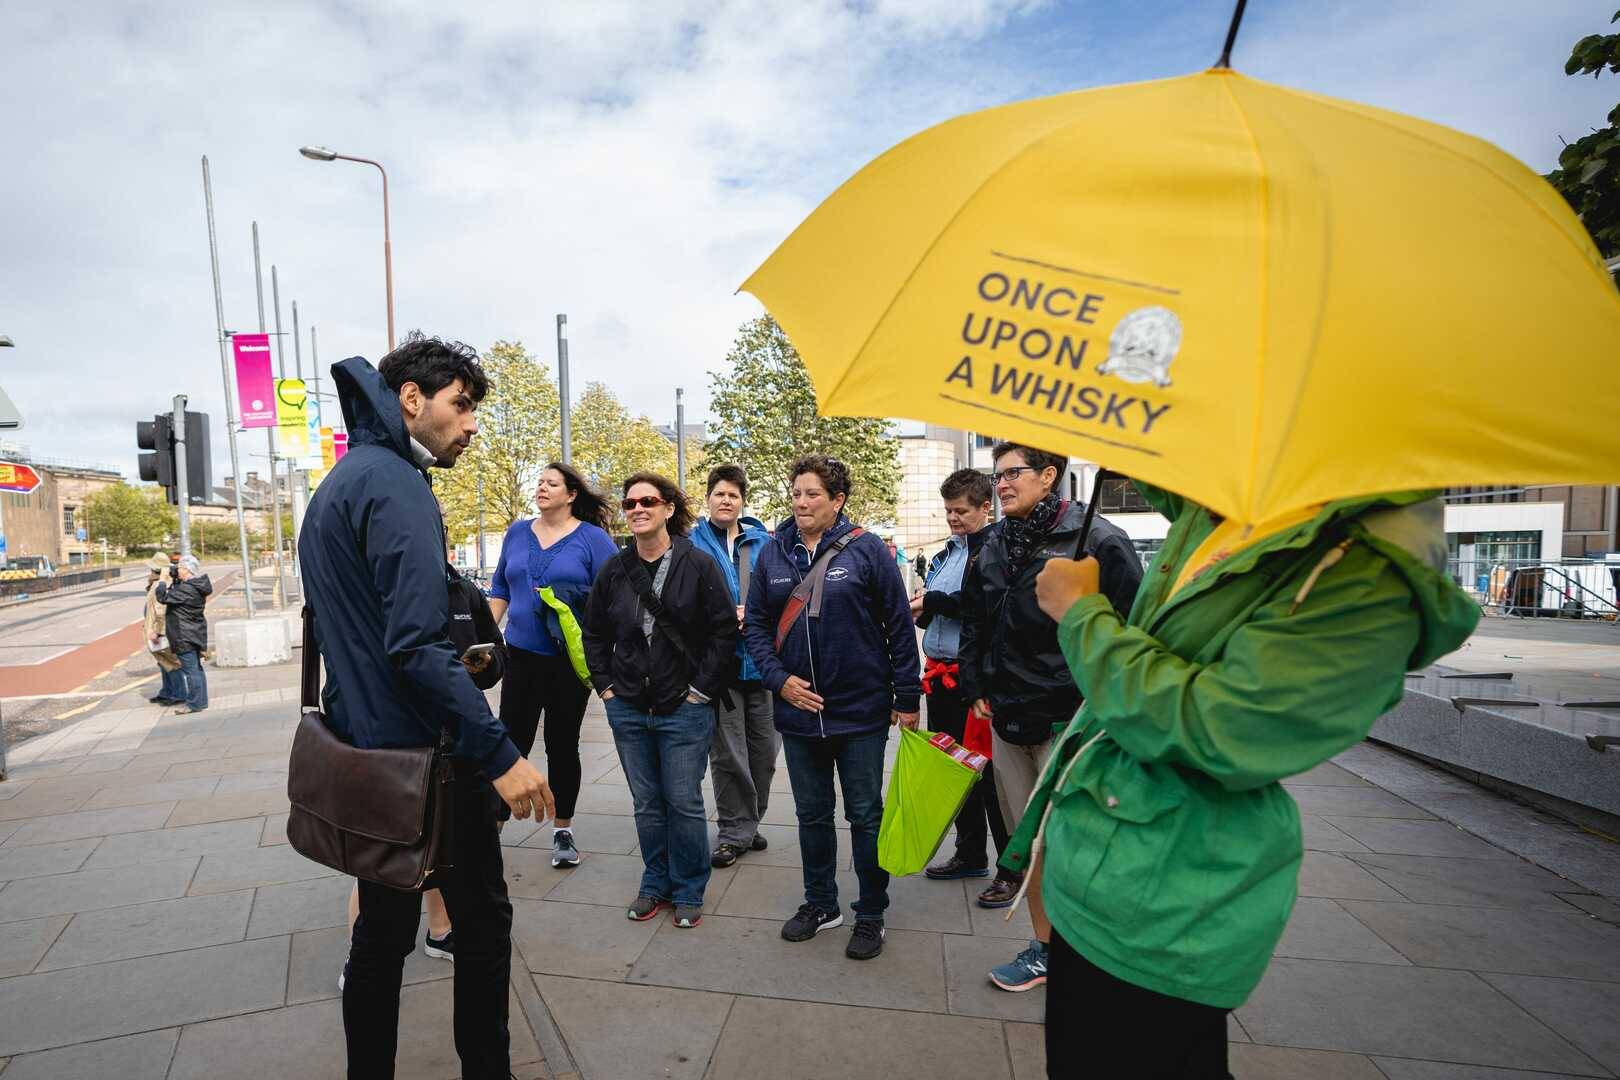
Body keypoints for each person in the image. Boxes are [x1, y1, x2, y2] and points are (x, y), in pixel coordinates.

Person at [1013, 486, 1476, 1078]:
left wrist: (1082, 615)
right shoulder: (1233, 498)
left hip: (1163, 899)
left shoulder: (1362, 571)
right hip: (1097, 873)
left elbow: (1220, 730)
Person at [300, 335, 553, 1079]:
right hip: (430, 760)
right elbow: (415, 646)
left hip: (370, 754)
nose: (471, 424)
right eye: (462, 405)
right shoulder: (396, 485)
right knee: (481, 927)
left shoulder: (345, 479)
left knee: (380, 935)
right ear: (412, 399)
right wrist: (500, 755)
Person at [958, 442, 1142, 993]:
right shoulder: (989, 543)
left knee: (1081, 846)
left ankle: (1098, 952)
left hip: (1074, 724)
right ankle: (1045, 949)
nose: (1002, 484)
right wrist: (976, 685)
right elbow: (974, 621)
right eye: (997, 476)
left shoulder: (1100, 541)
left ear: (1048, 475)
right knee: (1028, 842)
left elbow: (1135, 632)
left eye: (1012, 473)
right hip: (1007, 717)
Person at [744, 454, 921, 961]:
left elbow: (898, 626)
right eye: (795, 493)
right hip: (798, 713)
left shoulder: (867, 550)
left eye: (812, 494)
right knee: (811, 814)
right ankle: (821, 903)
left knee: (865, 814)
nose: (801, 502)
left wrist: (906, 697)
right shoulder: (774, 554)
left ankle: (871, 912)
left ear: (837, 500)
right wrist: (779, 682)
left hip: (861, 710)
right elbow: (756, 626)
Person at [583, 471, 737, 928]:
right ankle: (655, 883)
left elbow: (724, 631)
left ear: (669, 508)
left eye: (647, 501)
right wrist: (607, 689)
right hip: (628, 707)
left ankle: (689, 888)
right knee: (647, 803)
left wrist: (699, 692)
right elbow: (593, 633)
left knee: (683, 801)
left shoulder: (698, 564)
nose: (637, 510)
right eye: (629, 504)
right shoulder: (615, 568)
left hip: (683, 708)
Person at [488, 461, 619, 868]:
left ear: (571, 494)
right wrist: (483, 642)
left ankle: (564, 830)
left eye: (551, 483)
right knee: (509, 742)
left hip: (567, 662)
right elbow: (498, 590)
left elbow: (614, 592)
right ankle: (492, 829)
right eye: (539, 482)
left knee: (563, 744)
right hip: (520, 657)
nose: (542, 488)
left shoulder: (593, 539)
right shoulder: (516, 532)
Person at [912, 469, 1019, 906]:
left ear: (984, 508)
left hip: (972, 680)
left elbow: (985, 605)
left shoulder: (996, 548)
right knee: (956, 772)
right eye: (949, 511)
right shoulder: (951, 551)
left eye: (961, 511)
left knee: (991, 779)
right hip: (940, 674)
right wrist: (924, 610)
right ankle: (970, 852)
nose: (953, 519)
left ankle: (1009, 870)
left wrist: (934, 602)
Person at [688, 463, 777, 868]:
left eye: (733, 495)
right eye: (719, 493)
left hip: (762, 663)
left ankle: (748, 822)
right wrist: (724, 615)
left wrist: (755, 613)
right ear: (708, 498)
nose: (726, 500)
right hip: (719, 667)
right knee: (728, 755)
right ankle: (733, 831)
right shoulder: (691, 544)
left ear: (743, 501)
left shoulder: (763, 543)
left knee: (763, 753)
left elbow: (782, 594)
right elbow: (683, 601)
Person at [154, 555, 212, 714]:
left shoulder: (187, 589)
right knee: (196, 669)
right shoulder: (196, 585)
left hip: (184, 634)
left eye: (179, 567)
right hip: (194, 632)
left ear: (187, 570)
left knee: (191, 671)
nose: (176, 570)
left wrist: (162, 581)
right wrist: (174, 580)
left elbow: (162, 597)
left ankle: (194, 704)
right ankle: (201, 701)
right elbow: (176, 592)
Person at [143, 553, 185, 705]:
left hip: (161, 630)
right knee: (162, 661)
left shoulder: (161, 584)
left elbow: (161, 610)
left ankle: (178, 693)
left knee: (171, 662)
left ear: (156, 570)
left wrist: (157, 631)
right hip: (156, 629)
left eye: (151, 570)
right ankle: (167, 691)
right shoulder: (157, 583)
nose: (149, 572)